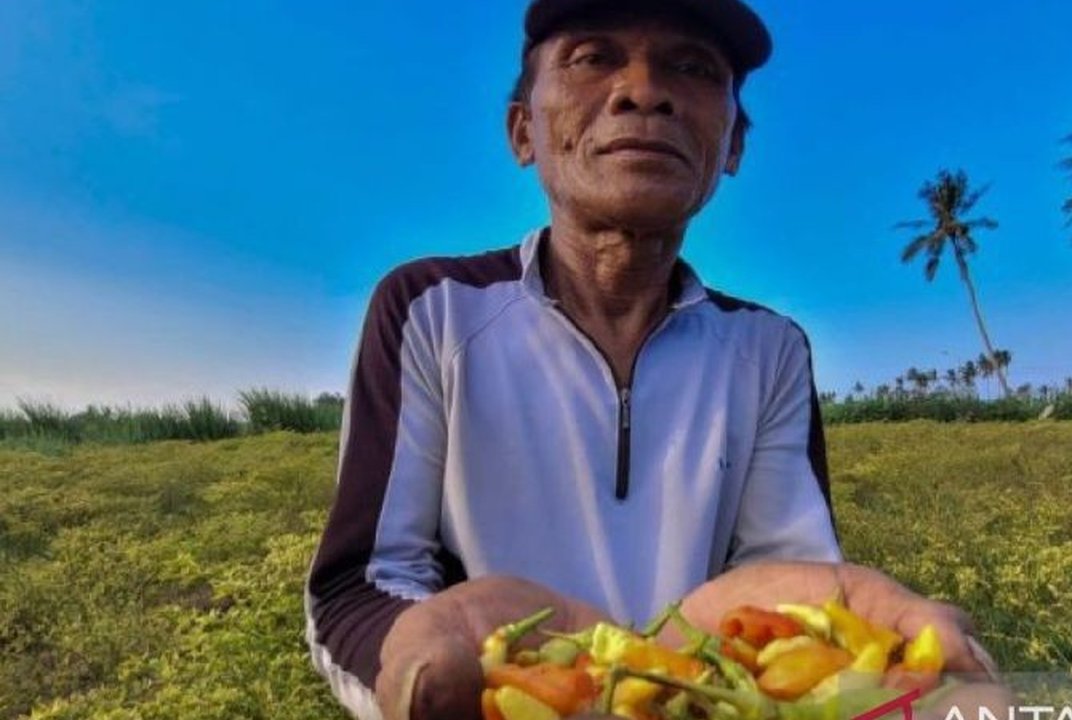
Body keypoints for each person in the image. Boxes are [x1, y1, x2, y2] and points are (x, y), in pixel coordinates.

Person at [305, 1, 1003, 718]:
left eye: (692, 67)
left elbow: (788, 581)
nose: (643, 91)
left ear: (732, 145)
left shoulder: (769, 350)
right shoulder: (432, 309)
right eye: (592, 57)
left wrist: (779, 665)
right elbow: (359, 587)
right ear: (523, 131)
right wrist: (442, 672)